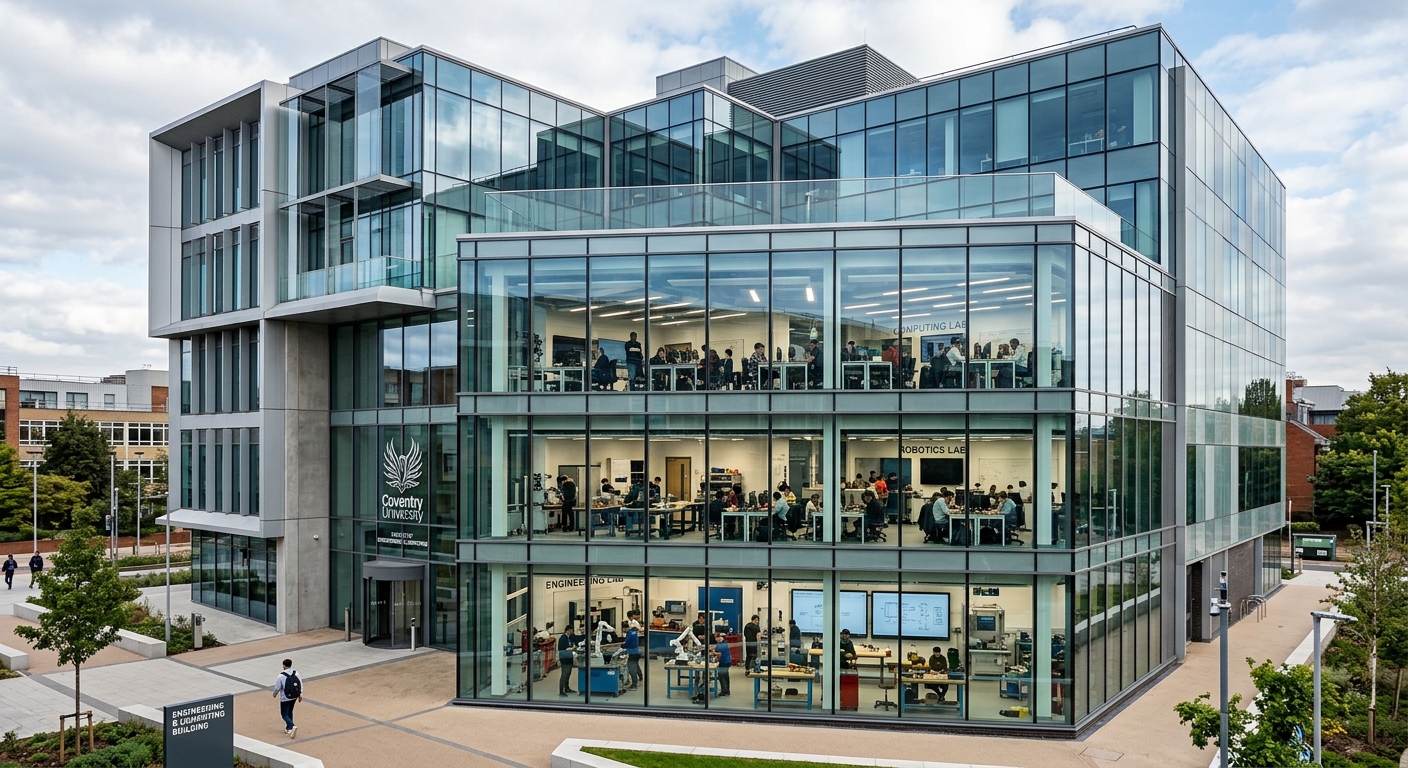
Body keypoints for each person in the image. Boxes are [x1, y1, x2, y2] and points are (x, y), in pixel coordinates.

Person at [273, 658, 303, 738]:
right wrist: (300, 694)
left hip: (285, 697)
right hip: (294, 696)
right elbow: (300, 683)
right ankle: (289, 728)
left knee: (284, 714)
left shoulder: (281, 675)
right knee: (290, 711)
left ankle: (292, 726)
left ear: (284, 665)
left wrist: (274, 694)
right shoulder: (296, 673)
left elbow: (277, 687)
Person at [558, 627, 581, 696]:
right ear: (567, 631)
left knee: (568, 673)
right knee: (565, 674)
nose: (571, 632)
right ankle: (561, 691)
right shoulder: (562, 638)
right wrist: (572, 648)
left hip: (569, 657)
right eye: (570, 631)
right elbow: (564, 649)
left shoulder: (570, 637)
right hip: (564, 657)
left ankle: (567, 688)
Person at [623, 618, 643, 690]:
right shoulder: (634, 632)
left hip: (632, 653)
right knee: (635, 664)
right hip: (637, 652)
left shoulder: (629, 633)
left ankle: (634, 684)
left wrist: (624, 646)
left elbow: (628, 642)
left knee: (631, 668)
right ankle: (640, 676)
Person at [712, 632, 732, 697]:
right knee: (726, 677)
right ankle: (727, 691)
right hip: (727, 661)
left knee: (721, 676)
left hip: (724, 662)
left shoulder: (720, 645)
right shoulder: (725, 643)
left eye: (716, 638)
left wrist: (713, 653)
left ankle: (724, 691)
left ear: (718, 637)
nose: (715, 639)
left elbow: (719, 654)